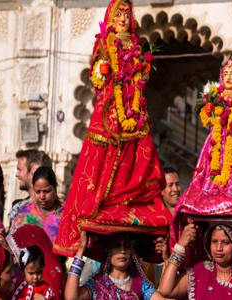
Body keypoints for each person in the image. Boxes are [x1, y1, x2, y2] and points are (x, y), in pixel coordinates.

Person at [53, 0, 171, 258]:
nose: (123, 18)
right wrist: (100, 70)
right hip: (110, 111)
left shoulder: (137, 45)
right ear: (110, 17)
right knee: (102, 160)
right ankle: (106, 205)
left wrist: (143, 70)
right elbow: (96, 75)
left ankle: (127, 201)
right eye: (118, 13)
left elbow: (141, 76)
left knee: (137, 157)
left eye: (127, 14)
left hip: (134, 109)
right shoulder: (104, 43)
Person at [173, 60, 232, 240]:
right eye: (225, 74)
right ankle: (215, 189)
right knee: (212, 168)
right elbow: (207, 120)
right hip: (217, 142)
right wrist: (209, 110)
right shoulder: (215, 97)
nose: (229, 78)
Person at [159, 223, 232, 299]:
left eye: (226, 242)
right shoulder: (201, 270)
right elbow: (166, 290)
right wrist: (181, 245)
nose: (219, 248)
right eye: (214, 241)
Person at [65, 231, 168, 300]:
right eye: (116, 246)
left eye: (127, 246)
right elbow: (71, 297)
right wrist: (81, 249)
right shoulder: (97, 283)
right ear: (108, 252)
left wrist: (167, 260)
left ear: (131, 253)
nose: (122, 251)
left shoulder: (140, 285)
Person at [6, 224, 65, 300]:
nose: (35, 277)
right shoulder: (17, 281)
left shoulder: (47, 286)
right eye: (31, 273)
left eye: (15, 255)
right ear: (22, 271)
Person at [10, 166, 64, 243]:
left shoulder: (66, 213)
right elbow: (13, 243)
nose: (42, 197)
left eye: (47, 191)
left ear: (55, 188)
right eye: (38, 192)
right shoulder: (24, 213)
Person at [9, 150, 52, 227]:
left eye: (20, 169)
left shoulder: (61, 209)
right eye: (33, 173)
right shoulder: (19, 207)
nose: (17, 174)